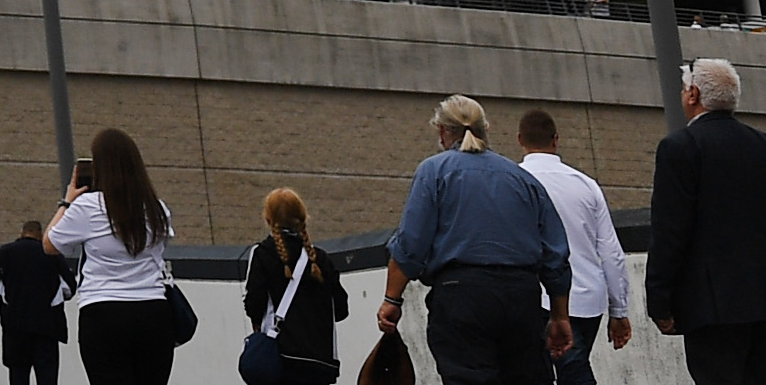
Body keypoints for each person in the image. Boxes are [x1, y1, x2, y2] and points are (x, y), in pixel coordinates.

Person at [645, 57, 766, 385]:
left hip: (713, 306)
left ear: (693, 95)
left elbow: (671, 231)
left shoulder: (680, 148)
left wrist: (659, 301)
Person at [377, 95, 571, 385]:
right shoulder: (522, 178)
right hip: (522, 297)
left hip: (461, 297)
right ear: (486, 129)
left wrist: (392, 299)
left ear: (443, 132)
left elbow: (410, 246)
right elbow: (555, 255)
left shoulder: (434, 172)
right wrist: (560, 316)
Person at [46, 131, 179, 385]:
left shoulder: (87, 206)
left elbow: (50, 244)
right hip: (154, 312)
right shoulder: (156, 208)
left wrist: (67, 201)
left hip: (103, 313)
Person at [511, 113, 627, 385]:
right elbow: (611, 252)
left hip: (536, 297)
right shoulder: (587, 185)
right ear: (556, 139)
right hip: (587, 299)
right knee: (573, 366)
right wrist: (619, 310)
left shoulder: (513, 181)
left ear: (519, 139)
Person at [240, 189, 347, 385]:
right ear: (303, 217)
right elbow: (341, 309)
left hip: (280, 361)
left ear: (268, 219)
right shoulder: (321, 259)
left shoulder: (262, 254)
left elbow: (254, 305)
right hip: (320, 364)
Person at [0, 217, 68, 385]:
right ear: (40, 234)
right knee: (47, 376)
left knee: (18, 375)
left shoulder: (6, 252)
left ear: (22, 233)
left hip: (15, 326)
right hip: (46, 327)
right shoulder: (51, 253)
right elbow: (69, 286)